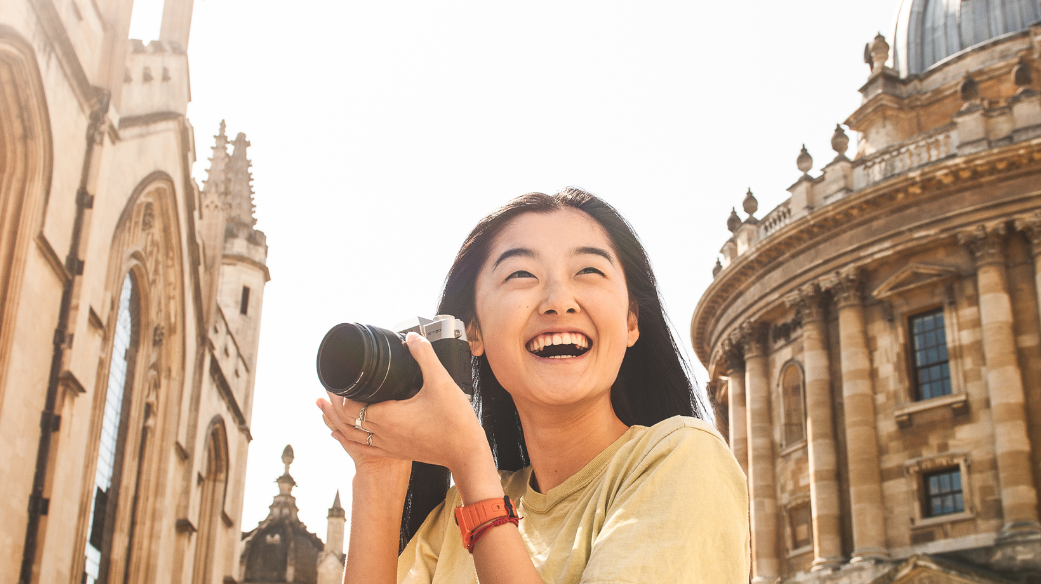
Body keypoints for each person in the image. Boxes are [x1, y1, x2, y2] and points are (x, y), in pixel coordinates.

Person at [316, 188, 748, 584]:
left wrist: (470, 461)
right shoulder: (453, 516)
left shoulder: (685, 456)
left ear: (631, 321)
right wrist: (380, 470)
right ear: (474, 334)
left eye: (589, 270)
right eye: (521, 274)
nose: (560, 299)